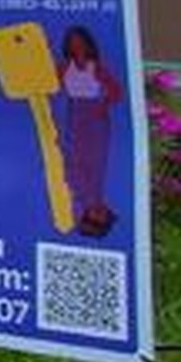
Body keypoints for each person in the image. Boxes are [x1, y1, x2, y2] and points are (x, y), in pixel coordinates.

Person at [54, 22, 125, 236]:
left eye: (80, 41)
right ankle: (89, 203)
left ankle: (94, 205)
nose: (77, 45)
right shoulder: (64, 66)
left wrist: (102, 106)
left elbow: (116, 91)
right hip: (74, 112)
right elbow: (51, 86)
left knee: (95, 162)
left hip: (94, 116)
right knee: (73, 159)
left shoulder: (97, 67)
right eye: (72, 42)